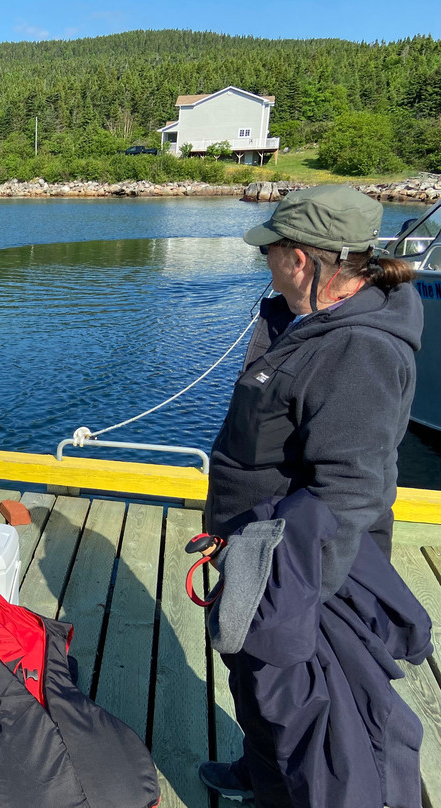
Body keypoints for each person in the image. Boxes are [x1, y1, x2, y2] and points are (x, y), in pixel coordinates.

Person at [199, 185, 430, 806]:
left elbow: (350, 490)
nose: (265, 263)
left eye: (271, 252)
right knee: (254, 687)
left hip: (302, 575)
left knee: (307, 716)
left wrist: (288, 600)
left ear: (300, 259)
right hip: (255, 550)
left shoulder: (361, 351)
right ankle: (261, 771)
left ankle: (285, 789)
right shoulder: (308, 317)